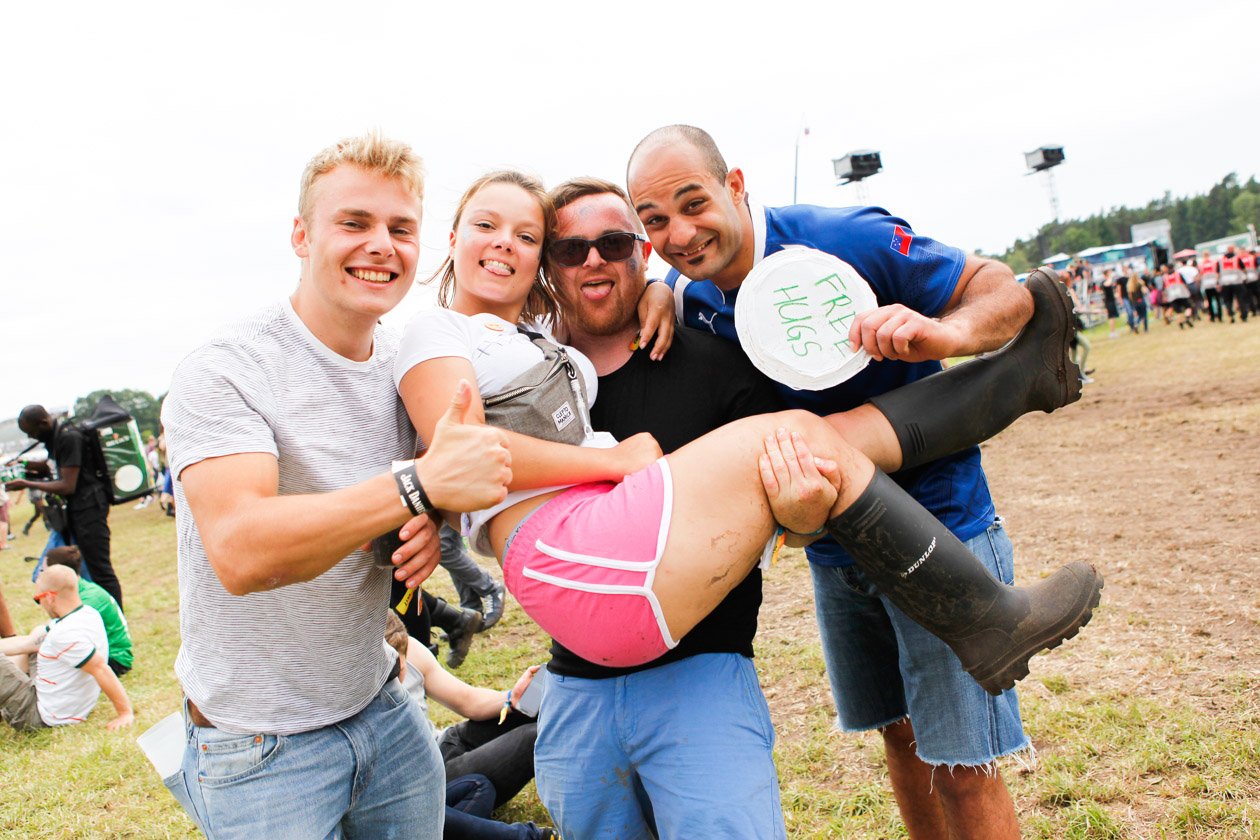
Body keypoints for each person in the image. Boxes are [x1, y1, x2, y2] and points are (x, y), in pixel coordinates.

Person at [395, 171, 1100, 706]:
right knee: (798, 435)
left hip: (605, 572)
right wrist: (602, 460)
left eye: (525, 234)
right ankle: (986, 609)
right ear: (452, 237)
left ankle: (1026, 378)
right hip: (570, 556)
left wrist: (660, 289)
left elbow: (580, 326)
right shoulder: (434, 330)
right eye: (488, 226)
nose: (507, 245)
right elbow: (452, 450)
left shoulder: (533, 337)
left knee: (817, 441)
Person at [623, 125, 1090, 840]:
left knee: (964, 768)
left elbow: (1000, 289)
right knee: (900, 740)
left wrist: (949, 334)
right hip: (837, 554)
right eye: (655, 221)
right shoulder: (691, 295)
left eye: (694, 203)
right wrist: (660, 290)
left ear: (736, 185)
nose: (679, 233)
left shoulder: (847, 238)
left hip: (943, 527)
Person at [160, 133, 514, 840]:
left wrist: (421, 521)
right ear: (301, 234)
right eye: (354, 223)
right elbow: (242, 552)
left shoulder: (407, 362)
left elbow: (409, 493)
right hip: (259, 747)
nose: (380, 244)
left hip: (381, 706)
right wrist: (418, 486)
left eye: (400, 228)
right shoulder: (225, 369)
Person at [531, 177, 790, 837]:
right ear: (549, 267)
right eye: (571, 249)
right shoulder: (524, 382)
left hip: (703, 676)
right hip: (575, 692)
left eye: (613, 243)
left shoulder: (720, 367)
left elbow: (789, 516)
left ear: (643, 253)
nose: (593, 259)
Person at [383, 613, 558, 840]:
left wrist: (511, 699)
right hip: (427, 777)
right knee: (534, 737)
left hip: (445, 742)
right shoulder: (350, 686)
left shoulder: (402, 641)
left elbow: (468, 700)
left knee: (536, 708)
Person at [6, 406, 123, 608]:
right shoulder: (56, 438)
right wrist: (24, 466)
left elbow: (67, 485)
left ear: (43, 423)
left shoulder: (69, 437)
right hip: (75, 513)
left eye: (32, 432)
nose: (32, 437)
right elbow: (53, 467)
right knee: (84, 569)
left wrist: (26, 484)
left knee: (100, 570)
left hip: (89, 509)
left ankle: (117, 620)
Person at [0, 565, 133, 731]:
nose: (39, 604)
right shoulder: (88, 614)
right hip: (64, 705)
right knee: (37, 636)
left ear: (49, 597)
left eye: (38, 599)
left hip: (39, 717)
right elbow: (29, 643)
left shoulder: (64, 635)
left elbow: (100, 669)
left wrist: (125, 713)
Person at [44, 545, 133, 676]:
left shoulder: (89, 598)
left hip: (115, 659)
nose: (40, 577)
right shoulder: (78, 590)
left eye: (44, 571)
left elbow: (55, 633)